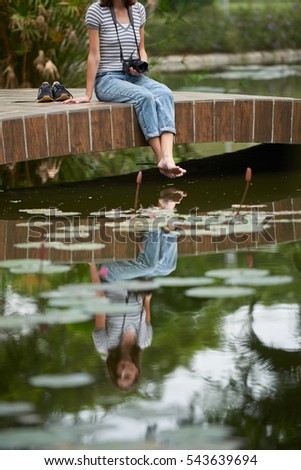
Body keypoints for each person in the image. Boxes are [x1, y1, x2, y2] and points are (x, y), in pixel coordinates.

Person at [64, 0, 186, 179]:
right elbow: (93, 55)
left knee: (165, 93)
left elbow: (141, 49)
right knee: (144, 97)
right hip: (107, 79)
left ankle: (168, 157)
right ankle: (161, 159)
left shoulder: (138, 10)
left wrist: (141, 65)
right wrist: (87, 94)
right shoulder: (96, 11)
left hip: (134, 77)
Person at [90, 187, 186, 390]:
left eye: (121, 375)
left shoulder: (104, 344)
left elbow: (99, 300)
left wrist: (91, 264)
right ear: (137, 371)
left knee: (151, 264)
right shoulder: (144, 340)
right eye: (129, 376)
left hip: (111, 277)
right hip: (138, 279)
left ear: (114, 370)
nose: (125, 372)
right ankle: (166, 219)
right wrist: (147, 296)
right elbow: (147, 304)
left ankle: (154, 218)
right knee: (168, 267)